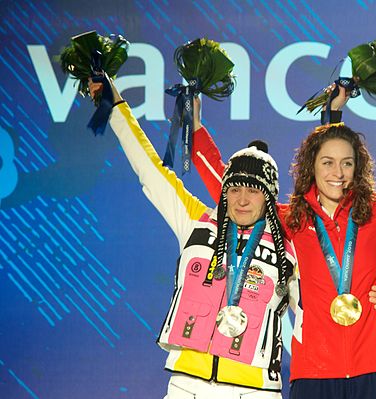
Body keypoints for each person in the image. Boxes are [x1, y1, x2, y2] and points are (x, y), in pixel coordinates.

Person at [191, 95, 376, 398]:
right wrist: (195, 128)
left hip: (374, 367)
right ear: (312, 166)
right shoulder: (294, 217)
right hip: (312, 371)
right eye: (328, 163)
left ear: (357, 167)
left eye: (347, 163)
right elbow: (235, 191)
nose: (338, 173)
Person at [89, 79, 299, 399]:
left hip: (256, 391)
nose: (242, 199)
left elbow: (314, 317)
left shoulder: (290, 248)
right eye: (234, 188)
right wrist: (114, 104)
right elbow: (149, 167)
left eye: (254, 190)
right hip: (187, 385)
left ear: (269, 197)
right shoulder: (196, 221)